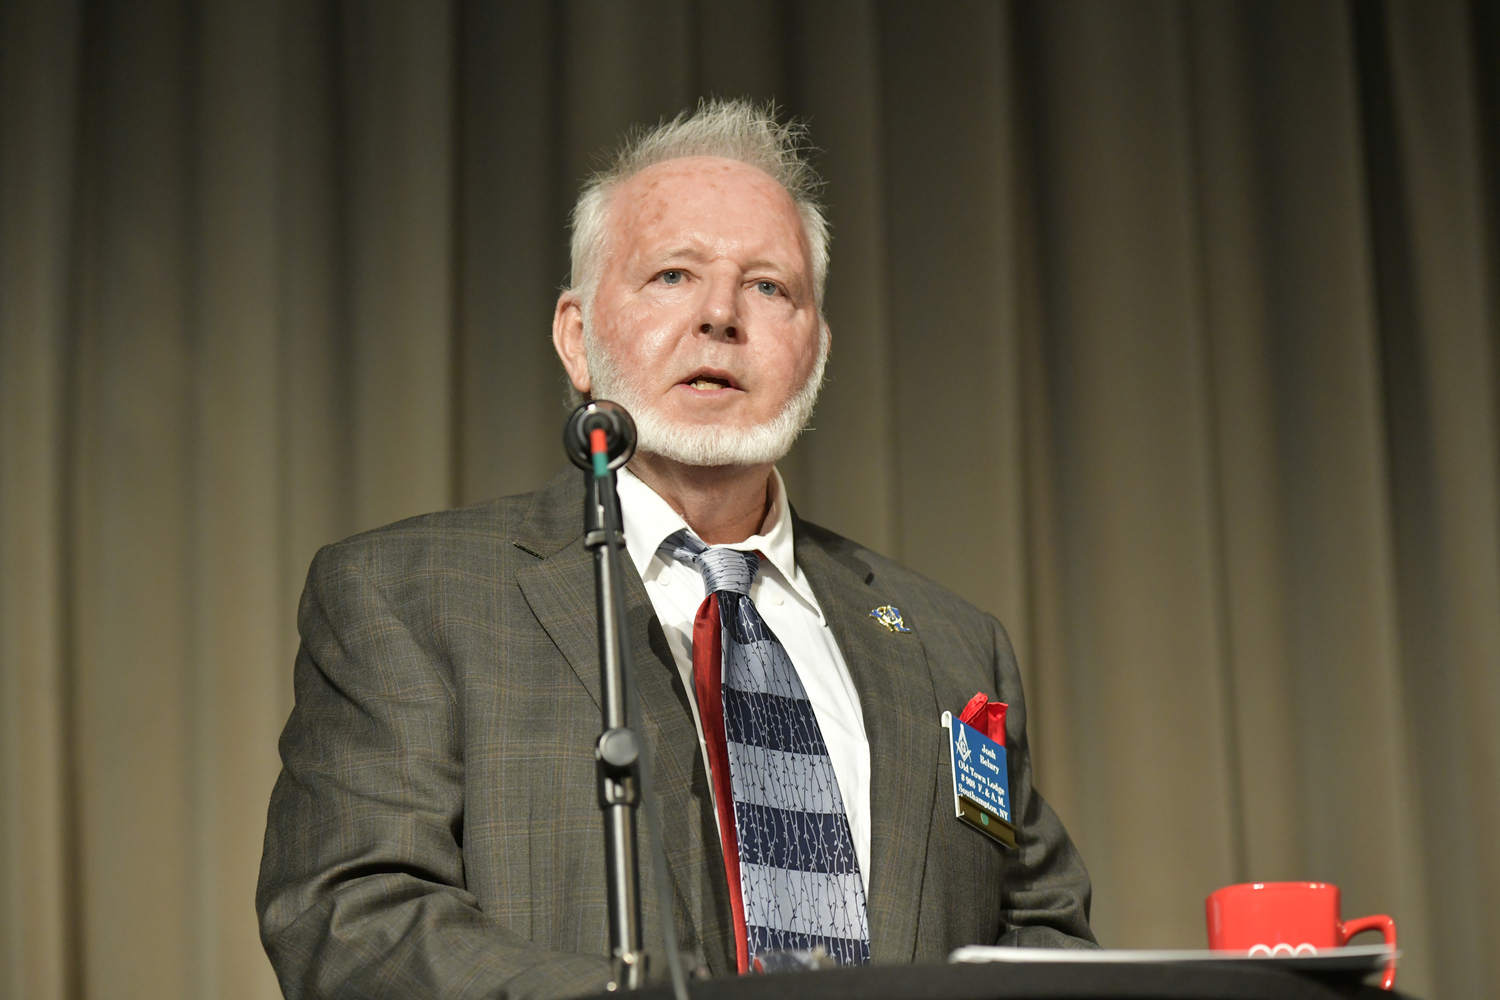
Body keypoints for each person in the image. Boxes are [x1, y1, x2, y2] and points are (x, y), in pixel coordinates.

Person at [257, 98, 1095, 1000]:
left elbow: (1039, 931)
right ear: (578, 338)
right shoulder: (409, 597)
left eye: (770, 287)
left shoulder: (950, 644)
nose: (722, 316)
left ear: (814, 351)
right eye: (671, 276)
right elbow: (354, 922)